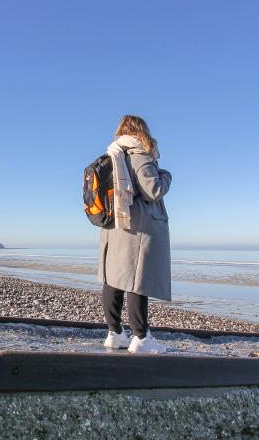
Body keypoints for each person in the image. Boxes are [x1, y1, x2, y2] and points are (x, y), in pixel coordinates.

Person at [98, 114, 172, 354]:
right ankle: (141, 338)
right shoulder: (138, 153)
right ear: (143, 132)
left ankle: (115, 334)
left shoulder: (112, 155)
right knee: (137, 280)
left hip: (114, 225)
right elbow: (153, 190)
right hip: (136, 226)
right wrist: (166, 175)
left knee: (114, 279)